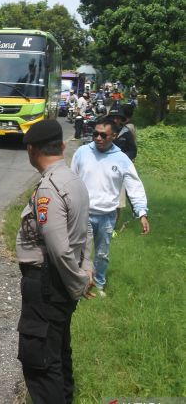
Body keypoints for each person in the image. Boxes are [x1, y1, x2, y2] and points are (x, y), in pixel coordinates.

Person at [16, 120, 94, 404]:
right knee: (58, 350)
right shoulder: (75, 180)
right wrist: (86, 269)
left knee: (40, 360)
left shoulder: (49, 188)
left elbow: (59, 249)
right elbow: (86, 231)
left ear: (31, 150)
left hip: (49, 283)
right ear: (62, 146)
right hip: (63, 280)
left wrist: (78, 282)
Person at [71, 117, 150, 296]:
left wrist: (142, 212)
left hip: (107, 216)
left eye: (103, 135)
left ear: (113, 136)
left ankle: (98, 285)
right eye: (95, 134)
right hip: (83, 214)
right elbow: (70, 179)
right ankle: (79, 286)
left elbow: (134, 186)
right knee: (81, 252)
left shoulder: (121, 159)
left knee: (102, 254)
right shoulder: (82, 152)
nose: (98, 138)